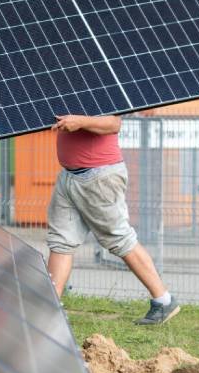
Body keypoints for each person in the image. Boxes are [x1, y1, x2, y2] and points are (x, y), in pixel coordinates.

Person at [46, 114, 179, 325]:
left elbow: (113, 123)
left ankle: (163, 300)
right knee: (61, 240)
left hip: (99, 176)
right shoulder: (67, 86)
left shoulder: (98, 83)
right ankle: (50, 308)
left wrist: (80, 122)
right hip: (69, 176)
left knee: (120, 239)